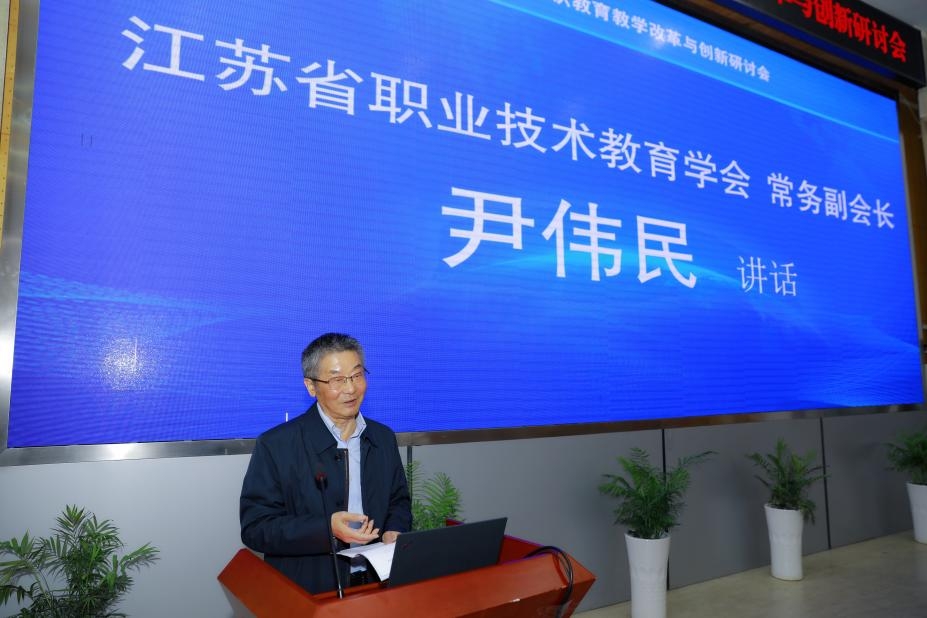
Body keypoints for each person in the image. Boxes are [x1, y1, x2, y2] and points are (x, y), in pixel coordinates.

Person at [240, 333, 411, 594]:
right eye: (337, 380)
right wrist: (326, 529)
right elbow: (256, 528)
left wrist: (394, 530)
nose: (351, 389)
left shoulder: (382, 437)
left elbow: (398, 500)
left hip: (375, 584)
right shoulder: (276, 445)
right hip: (310, 589)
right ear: (311, 386)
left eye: (357, 375)